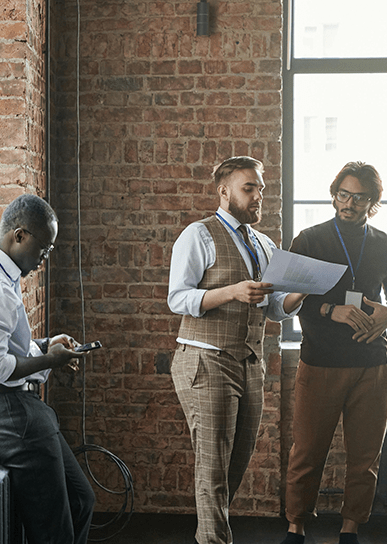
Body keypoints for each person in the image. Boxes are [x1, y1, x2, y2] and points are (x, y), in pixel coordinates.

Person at [168, 156, 306, 544]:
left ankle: (208, 535)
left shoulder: (263, 244)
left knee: (234, 465)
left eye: (261, 188)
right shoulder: (199, 235)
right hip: (205, 359)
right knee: (212, 469)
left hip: (249, 363)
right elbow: (177, 298)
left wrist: (301, 291)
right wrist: (232, 291)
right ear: (224, 191)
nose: (259, 195)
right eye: (250, 188)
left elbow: (275, 309)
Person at [0, 194, 95, 544]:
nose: (44, 260)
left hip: (15, 408)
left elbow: (4, 349)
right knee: (53, 531)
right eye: (43, 250)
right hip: (5, 412)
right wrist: (51, 360)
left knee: (81, 500)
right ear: (19, 236)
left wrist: (45, 346)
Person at [280, 162, 387, 544]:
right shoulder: (310, 239)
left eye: (359, 197)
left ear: (372, 202)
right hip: (319, 361)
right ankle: (295, 527)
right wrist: (329, 309)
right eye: (343, 194)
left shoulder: (386, 243)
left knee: (365, 458)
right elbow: (286, 302)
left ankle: (350, 529)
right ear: (334, 193)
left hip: (372, 365)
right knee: (306, 454)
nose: (349, 203)